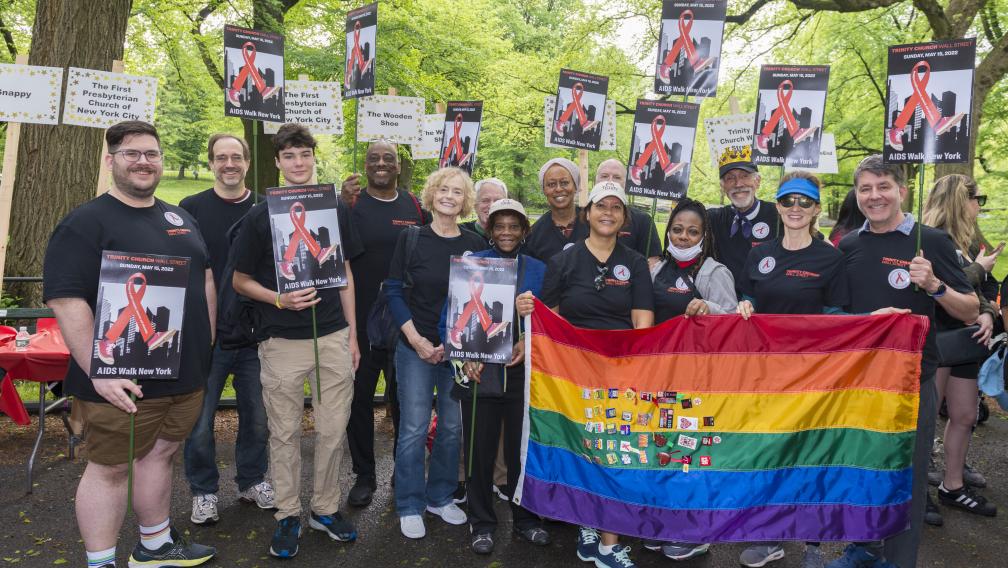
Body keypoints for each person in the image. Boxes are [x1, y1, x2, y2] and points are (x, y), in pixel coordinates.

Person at [43, 120, 216, 568]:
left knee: (161, 453)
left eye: (151, 154)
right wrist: (101, 370)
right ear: (111, 160)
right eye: (132, 153)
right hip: (121, 379)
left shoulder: (178, 216)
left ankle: (155, 545)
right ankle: (100, 563)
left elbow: (206, 277)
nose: (144, 161)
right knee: (111, 468)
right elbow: (66, 300)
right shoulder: (85, 222)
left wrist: (206, 341)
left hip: (184, 373)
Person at [830, 155, 979, 568]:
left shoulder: (930, 241)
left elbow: (968, 309)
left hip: (912, 385)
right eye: (865, 189)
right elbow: (836, 312)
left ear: (902, 190)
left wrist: (934, 285)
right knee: (861, 471)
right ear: (856, 194)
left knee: (906, 478)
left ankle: (897, 561)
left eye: (883, 187)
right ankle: (862, 548)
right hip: (858, 384)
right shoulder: (848, 244)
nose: (874, 196)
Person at [232, 123, 363, 558]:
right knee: (284, 432)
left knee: (332, 428)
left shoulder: (335, 208)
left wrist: (353, 336)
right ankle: (287, 514)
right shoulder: (258, 214)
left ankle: (324, 509)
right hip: (280, 340)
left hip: (332, 336)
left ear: (313, 156)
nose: (298, 162)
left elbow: (344, 274)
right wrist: (279, 298)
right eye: (289, 156)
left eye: (304, 154)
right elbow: (239, 279)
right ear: (277, 162)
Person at [521, 180, 654, 568]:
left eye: (616, 207)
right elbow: (550, 318)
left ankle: (610, 545)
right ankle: (588, 526)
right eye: (601, 206)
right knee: (582, 446)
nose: (608, 212)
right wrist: (524, 307)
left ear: (624, 217)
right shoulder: (564, 261)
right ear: (587, 213)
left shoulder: (634, 262)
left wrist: (627, 366)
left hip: (620, 370)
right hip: (575, 371)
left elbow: (642, 322)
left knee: (614, 451)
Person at [736, 172, 852, 568]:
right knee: (769, 453)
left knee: (809, 454)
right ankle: (770, 536)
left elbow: (837, 318)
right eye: (789, 202)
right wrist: (745, 306)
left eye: (805, 202)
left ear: (817, 208)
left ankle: (814, 544)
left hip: (811, 375)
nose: (796, 209)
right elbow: (748, 297)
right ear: (778, 206)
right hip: (764, 373)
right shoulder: (759, 254)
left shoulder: (831, 258)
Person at [442, 198, 551, 554]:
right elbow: (451, 314)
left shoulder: (537, 268)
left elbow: (549, 319)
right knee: (479, 451)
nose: (507, 232)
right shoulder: (472, 263)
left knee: (521, 451)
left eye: (514, 226)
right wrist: (465, 354)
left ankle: (525, 519)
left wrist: (526, 331)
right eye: (499, 226)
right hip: (480, 372)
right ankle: (482, 523)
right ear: (489, 229)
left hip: (522, 372)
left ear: (524, 230)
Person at [384, 167, 486, 539]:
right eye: (443, 189)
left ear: (465, 201)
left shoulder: (473, 244)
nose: (449, 196)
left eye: (457, 192)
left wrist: (464, 347)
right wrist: (416, 340)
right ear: (431, 194)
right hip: (415, 346)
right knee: (412, 428)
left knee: (452, 426)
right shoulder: (411, 238)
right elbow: (393, 291)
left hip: (457, 352)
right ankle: (409, 503)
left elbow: (479, 300)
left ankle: (439, 496)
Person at [181, 133, 273, 525]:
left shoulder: (268, 209)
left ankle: (251, 481)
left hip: (256, 333)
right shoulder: (190, 208)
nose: (229, 163)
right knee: (199, 422)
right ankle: (203, 491)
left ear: (248, 163)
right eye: (221, 157)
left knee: (258, 417)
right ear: (211, 163)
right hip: (207, 336)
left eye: (236, 156)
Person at [642, 197, 734, 562]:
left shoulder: (715, 272)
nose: (683, 237)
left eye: (692, 231)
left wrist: (709, 309)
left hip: (700, 381)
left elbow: (732, 324)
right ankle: (663, 520)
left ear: (704, 235)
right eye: (677, 229)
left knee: (692, 455)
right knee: (660, 450)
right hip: (658, 378)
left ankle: (696, 531)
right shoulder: (653, 269)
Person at [340, 140, 429, 508]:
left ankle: (401, 470)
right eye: (373, 158)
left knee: (403, 400)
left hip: (403, 322)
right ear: (365, 164)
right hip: (358, 319)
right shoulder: (351, 203)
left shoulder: (414, 206)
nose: (380, 163)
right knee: (357, 399)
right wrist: (340, 203)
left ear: (397, 166)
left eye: (387, 159)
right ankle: (364, 475)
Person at [921, 174, 999, 519]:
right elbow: (938, 287)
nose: (978, 207)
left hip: (967, 339)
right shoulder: (929, 239)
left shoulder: (966, 241)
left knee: (965, 414)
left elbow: (976, 295)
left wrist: (985, 313)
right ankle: (917, 489)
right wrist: (978, 270)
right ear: (958, 200)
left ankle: (952, 486)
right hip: (938, 338)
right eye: (975, 199)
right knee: (924, 419)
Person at [707, 147, 780, 294]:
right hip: (727, 304)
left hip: (768, 305)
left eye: (745, 175)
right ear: (722, 187)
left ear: (757, 181)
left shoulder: (779, 215)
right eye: (730, 178)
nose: (738, 184)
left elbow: (815, 244)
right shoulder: (713, 219)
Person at [594, 158, 663, 265]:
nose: (610, 181)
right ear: (595, 181)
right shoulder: (582, 217)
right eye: (604, 176)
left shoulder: (643, 221)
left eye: (617, 177)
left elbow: (653, 262)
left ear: (626, 184)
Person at [525, 158, 589, 263]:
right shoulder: (534, 234)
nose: (558, 189)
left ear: (575, 186)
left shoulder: (593, 223)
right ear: (544, 190)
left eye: (564, 183)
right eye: (551, 184)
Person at [460, 178, 507, 244]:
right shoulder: (459, 233)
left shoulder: (519, 238)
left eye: (498, 201)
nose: (491, 206)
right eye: (485, 200)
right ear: (475, 204)